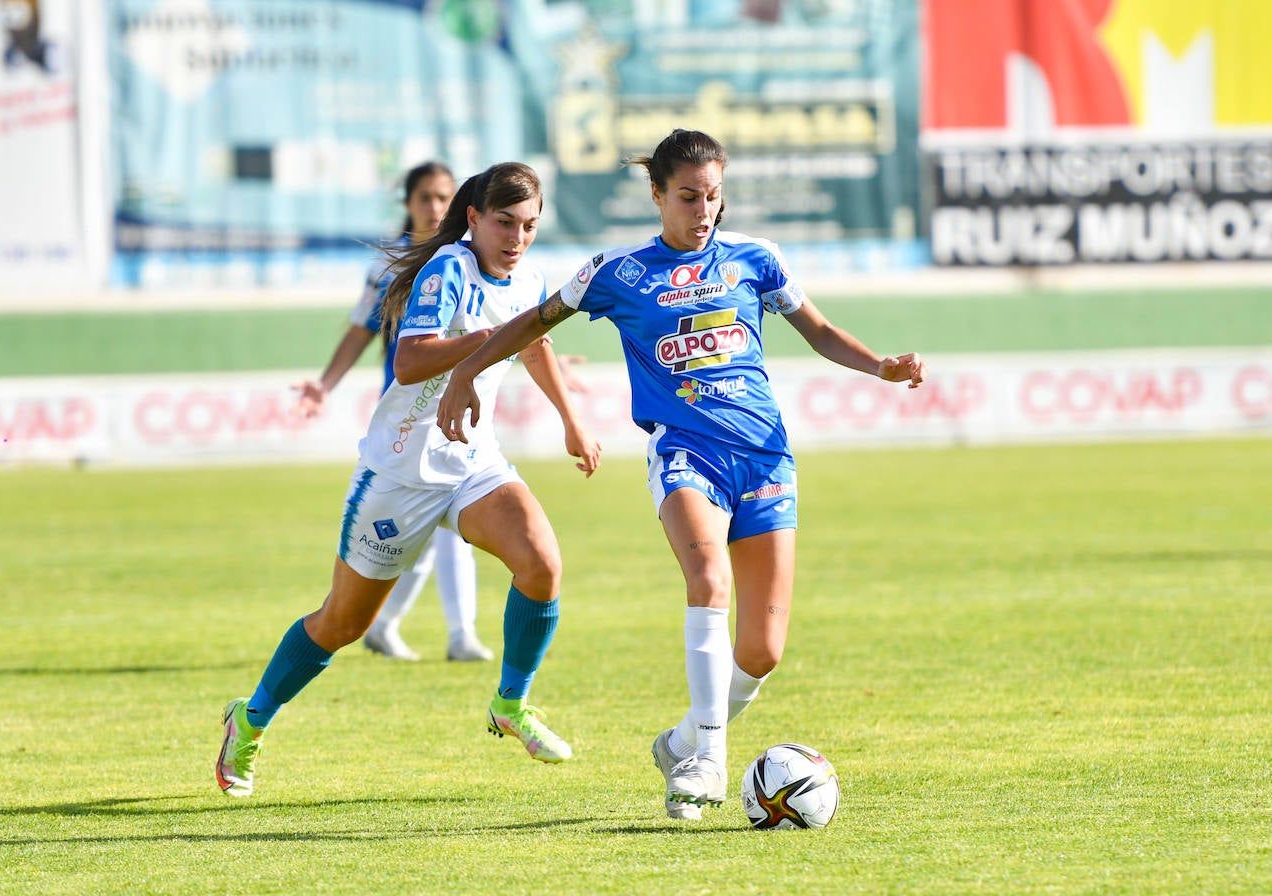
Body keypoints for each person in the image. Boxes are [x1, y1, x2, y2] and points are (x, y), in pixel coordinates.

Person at [436, 129, 925, 821]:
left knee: (762, 651)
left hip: (764, 455)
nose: (704, 210)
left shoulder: (757, 259)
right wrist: (465, 369)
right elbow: (532, 322)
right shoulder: (619, 272)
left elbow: (816, 329)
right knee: (708, 581)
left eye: (714, 197)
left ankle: (687, 738)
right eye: (689, 196)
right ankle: (710, 764)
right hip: (686, 454)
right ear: (658, 194)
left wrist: (880, 365)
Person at [217, 161, 602, 796]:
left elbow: (534, 344)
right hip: (399, 473)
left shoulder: (529, 276)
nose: (517, 238)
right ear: (474, 218)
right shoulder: (449, 268)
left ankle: (511, 704)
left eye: (530, 226)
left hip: (473, 463)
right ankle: (251, 719)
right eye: (504, 223)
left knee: (542, 564)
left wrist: (571, 418)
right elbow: (409, 356)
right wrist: (485, 341)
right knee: (343, 625)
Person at [293, 161, 494, 663]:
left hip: (463, 408)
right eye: (424, 196)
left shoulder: (477, 260)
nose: (434, 206)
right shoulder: (393, 263)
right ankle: (387, 625)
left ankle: (459, 634)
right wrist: (324, 385)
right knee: (420, 537)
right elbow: (362, 328)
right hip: (408, 417)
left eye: (443, 196)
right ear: (407, 203)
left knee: (457, 523)